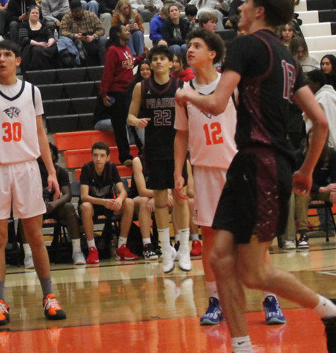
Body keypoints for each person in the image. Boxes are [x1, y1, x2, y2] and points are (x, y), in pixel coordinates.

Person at [174, 0, 336, 353]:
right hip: (253, 163)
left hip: (262, 164)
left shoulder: (245, 45)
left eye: (245, 3)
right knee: (221, 259)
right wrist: (304, 170)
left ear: (259, 11)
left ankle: (330, 311)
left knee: (255, 271)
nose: (238, 9)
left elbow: (217, 102)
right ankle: (242, 346)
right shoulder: (287, 55)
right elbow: (319, 122)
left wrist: (186, 93)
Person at [174, 29, 286, 327]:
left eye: (197, 45)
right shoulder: (183, 92)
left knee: (252, 236)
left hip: (238, 168)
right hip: (204, 171)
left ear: (213, 53)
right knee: (210, 236)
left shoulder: (231, 85)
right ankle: (215, 300)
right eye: (189, 45)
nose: (190, 49)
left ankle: (269, 298)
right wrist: (178, 170)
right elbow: (181, 135)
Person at [0, 40, 65, 326]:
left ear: (18, 61)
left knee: (35, 236)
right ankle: (0, 302)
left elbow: (40, 131)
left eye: (7, 55)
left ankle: (49, 296)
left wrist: (50, 171)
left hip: (26, 169)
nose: (2, 59)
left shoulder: (32, 91)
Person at [128, 46, 191, 273]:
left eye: (162, 59)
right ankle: (166, 251)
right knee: (160, 200)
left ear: (170, 63)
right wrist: (136, 122)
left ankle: (184, 248)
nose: (158, 62)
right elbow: (130, 115)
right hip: (153, 150)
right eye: (155, 59)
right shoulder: (140, 87)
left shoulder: (180, 87)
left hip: (176, 149)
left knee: (181, 197)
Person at [78, 142, 137, 264]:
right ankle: (92, 249)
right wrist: (102, 201)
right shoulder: (87, 169)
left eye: (102, 155)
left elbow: (123, 191)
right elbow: (84, 196)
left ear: (108, 157)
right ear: (91, 156)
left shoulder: (111, 168)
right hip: (93, 204)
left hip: (108, 204)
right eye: (95, 155)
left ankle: (121, 247)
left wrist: (119, 200)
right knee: (85, 206)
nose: (98, 159)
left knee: (129, 202)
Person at [291, 143, 336, 248]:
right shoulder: (300, 154)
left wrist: (335, 186)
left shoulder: (331, 153)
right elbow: (300, 179)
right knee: (301, 196)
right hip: (307, 189)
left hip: (326, 189)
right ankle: (303, 234)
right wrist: (319, 188)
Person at [35, 144, 86, 266]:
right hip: (36, 208)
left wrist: (54, 203)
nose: (46, 155)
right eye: (42, 152)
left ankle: (77, 251)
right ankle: (28, 255)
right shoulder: (31, 171)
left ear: (53, 156)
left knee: (68, 207)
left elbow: (67, 195)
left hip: (54, 207)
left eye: (50, 153)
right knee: (24, 211)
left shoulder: (60, 172)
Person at [98, 24, 142, 162]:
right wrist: (104, 94)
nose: (128, 32)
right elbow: (108, 73)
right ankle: (125, 156)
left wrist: (141, 58)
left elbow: (128, 65)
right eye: (125, 30)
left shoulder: (127, 48)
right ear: (118, 34)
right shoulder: (112, 50)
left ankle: (142, 152)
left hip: (129, 91)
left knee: (133, 122)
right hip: (116, 93)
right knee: (120, 126)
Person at [59, 0, 106, 66]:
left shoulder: (91, 15)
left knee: (104, 40)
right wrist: (74, 35)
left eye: (79, 10)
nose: (78, 13)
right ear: (70, 10)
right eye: (75, 12)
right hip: (75, 40)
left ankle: (103, 66)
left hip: (91, 38)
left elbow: (101, 29)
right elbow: (62, 32)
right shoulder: (67, 17)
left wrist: (93, 37)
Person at [18, 6, 58, 72]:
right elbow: (24, 39)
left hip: (44, 43)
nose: (35, 14)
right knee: (38, 51)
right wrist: (38, 44)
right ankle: (38, 72)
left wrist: (50, 41)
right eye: (33, 13)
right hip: (30, 46)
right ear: (29, 15)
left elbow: (50, 35)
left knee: (55, 48)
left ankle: (52, 72)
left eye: (37, 13)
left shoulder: (44, 24)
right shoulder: (24, 25)